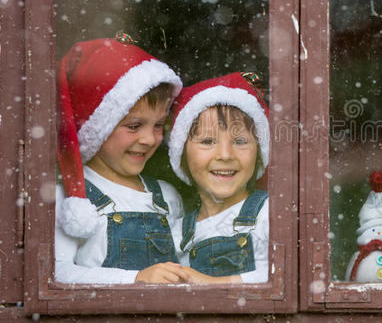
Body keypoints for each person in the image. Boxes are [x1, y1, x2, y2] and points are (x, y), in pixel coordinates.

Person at [55, 35, 189, 284]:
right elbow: (57, 275)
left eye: (158, 125)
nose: (149, 139)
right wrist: (135, 280)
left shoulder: (167, 197)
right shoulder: (72, 199)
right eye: (134, 125)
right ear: (98, 127)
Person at [167, 72, 270, 284]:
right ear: (181, 153)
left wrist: (215, 285)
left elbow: (289, 278)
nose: (225, 154)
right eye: (207, 141)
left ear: (259, 152)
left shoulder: (271, 215)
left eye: (240, 141)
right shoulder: (176, 233)